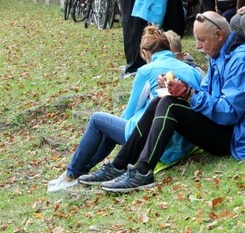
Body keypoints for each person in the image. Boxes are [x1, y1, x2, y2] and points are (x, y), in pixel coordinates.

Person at [98, 11, 245, 193]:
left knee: (170, 105)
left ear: (219, 35)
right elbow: (205, 94)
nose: (198, 46)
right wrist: (180, 88)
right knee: (164, 99)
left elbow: (229, 112)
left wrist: (188, 93)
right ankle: (119, 165)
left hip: (239, 137)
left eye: (202, 40)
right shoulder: (220, 55)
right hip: (223, 128)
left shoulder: (244, 60)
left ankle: (143, 171)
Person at [47, 26, 203, 192]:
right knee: (109, 127)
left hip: (160, 146)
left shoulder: (146, 71)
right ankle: (78, 173)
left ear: (145, 53)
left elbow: (129, 114)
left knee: (98, 121)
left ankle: (71, 175)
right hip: (185, 144)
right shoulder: (190, 70)